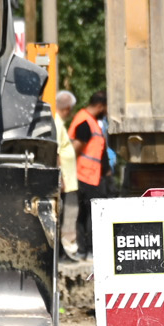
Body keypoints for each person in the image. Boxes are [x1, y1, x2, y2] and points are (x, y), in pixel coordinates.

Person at [69, 91, 110, 258]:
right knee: (91, 214)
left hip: (90, 175)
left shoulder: (90, 121)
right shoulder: (85, 122)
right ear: (100, 106)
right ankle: (88, 249)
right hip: (85, 176)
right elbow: (75, 149)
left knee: (86, 213)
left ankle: (85, 249)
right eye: (106, 108)